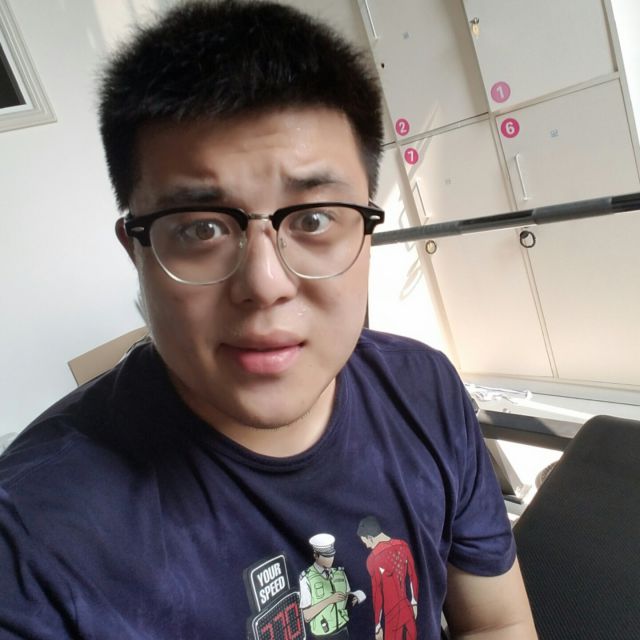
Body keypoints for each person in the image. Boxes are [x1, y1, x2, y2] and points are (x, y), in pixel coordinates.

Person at [0, 1, 538, 638]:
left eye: (313, 219)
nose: (264, 284)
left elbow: (495, 624)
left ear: (366, 235)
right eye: (200, 228)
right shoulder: (33, 541)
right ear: (136, 251)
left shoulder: (425, 389)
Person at [357, 516, 419, 640]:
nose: (367, 546)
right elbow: (413, 577)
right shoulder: (403, 546)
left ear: (370, 538)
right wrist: (414, 602)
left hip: (392, 616)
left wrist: (377, 625)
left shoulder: (373, 559)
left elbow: (377, 595)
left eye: (366, 542)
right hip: (407, 608)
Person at [299, 533, 366, 638]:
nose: (330, 559)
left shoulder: (340, 573)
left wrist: (356, 597)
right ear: (316, 555)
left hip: (343, 630)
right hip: (323, 635)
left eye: (331, 555)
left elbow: (347, 596)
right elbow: (307, 616)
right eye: (326, 556)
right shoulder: (307, 578)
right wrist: (329, 600)